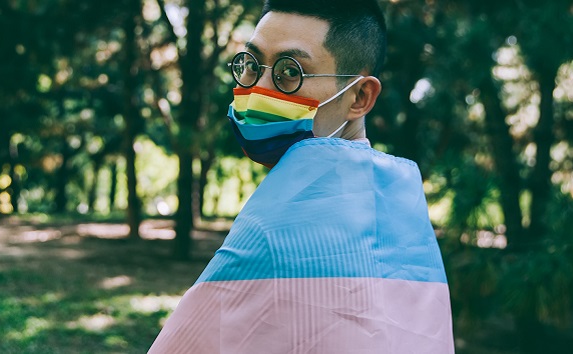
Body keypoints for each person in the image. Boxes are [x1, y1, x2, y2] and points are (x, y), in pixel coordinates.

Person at [148, 0, 455, 353]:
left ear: (359, 96)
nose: (258, 88)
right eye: (251, 64)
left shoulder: (275, 225)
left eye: (289, 72)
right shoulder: (404, 203)